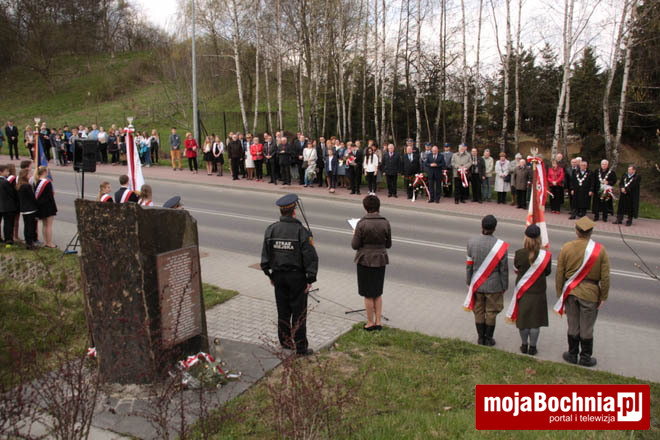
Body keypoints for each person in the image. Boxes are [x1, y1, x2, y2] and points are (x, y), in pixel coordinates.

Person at [260, 194, 318, 356]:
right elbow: (310, 257)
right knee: (299, 313)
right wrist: (310, 278)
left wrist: (270, 275)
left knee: (283, 311)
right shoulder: (301, 231)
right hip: (297, 277)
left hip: (278, 277)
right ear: (294, 211)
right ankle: (301, 348)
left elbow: (265, 255)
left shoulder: (271, 229)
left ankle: (285, 342)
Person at [555, 217, 610, 367]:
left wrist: (560, 293)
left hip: (571, 292)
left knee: (573, 324)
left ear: (576, 231)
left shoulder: (566, 247)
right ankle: (585, 357)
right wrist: (603, 296)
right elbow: (605, 277)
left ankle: (572, 354)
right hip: (590, 293)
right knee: (587, 327)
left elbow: (560, 273)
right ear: (591, 232)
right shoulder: (600, 250)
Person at [465, 215, 509, 346]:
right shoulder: (501, 246)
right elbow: (503, 269)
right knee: (491, 312)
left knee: (478, 310)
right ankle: (488, 339)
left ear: (481, 226)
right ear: (495, 228)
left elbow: (469, 265)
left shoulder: (472, 242)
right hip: (494, 285)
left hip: (477, 284)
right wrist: (504, 285)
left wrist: (469, 281)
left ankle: (480, 338)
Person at [351, 195, 392, 331]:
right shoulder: (385, 222)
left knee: (368, 294)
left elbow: (355, 245)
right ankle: (378, 322)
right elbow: (388, 244)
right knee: (377, 292)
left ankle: (370, 322)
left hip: (365, 260)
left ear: (365, 207)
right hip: (380, 259)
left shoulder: (361, 223)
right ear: (378, 207)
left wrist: (354, 234)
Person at [511, 225, 552, 356]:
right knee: (535, 322)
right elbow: (547, 272)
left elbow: (516, 269)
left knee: (523, 321)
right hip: (538, 292)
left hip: (523, 292)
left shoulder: (519, 253)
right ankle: (533, 347)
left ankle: (524, 345)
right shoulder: (546, 255)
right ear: (539, 238)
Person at [34, 166, 57, 248]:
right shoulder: (47, 183)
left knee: (44, 225)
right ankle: (49, 242)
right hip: (48, 206)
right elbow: (50, 196)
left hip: (41, 206)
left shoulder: (37, 182)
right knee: (49, 225)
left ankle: (45, 241)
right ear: (44, 172)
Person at [16, 169, 38, 249]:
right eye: (29, 174)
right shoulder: (26, 186)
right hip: (30, 209)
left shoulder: (19, 185)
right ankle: (30, 243)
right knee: (30, 227)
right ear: (25, 176)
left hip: (24, 209)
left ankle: (28, 242)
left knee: (27, 226)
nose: (30, 176)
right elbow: (32, 197)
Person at [0, 165, 19, 245]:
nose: (8, 173)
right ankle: (8, 240)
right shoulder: (5, 182)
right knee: (8, 224)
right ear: (1, 172)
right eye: (6, 171)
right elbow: (12, 193)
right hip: (7, 206)